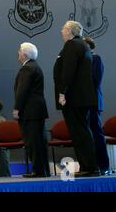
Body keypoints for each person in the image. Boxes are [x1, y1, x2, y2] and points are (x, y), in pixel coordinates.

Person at [53, 21, 99, 177]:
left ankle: (89, 168)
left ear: (70, 32)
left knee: (80, 133)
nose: (61, 31)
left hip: (75, 98)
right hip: (84, 98)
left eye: (63, 29)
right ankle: (90, 166)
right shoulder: (83, 45)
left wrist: (62, 92)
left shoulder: (72, 45)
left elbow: (68, 71)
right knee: (84, 131)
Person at [14, 42, 50, 178]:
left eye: (19, 51)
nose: (18, 53)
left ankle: (38, 171)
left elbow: (22, 91)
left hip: (30, 111)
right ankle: (43, 170)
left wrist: (17, 108)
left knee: (33, 142)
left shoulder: (27, 69)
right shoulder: (35, 67)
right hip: (37, 111)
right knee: (39, 141)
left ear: (25, 54)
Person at [83, 36, 110, 175]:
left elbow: (95, 81)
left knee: (97, 134)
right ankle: (92, 165)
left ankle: (104, 166)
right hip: (85, 103)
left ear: (88, 47)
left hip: (94, 101)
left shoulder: (96, 59)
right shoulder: (83, 62)